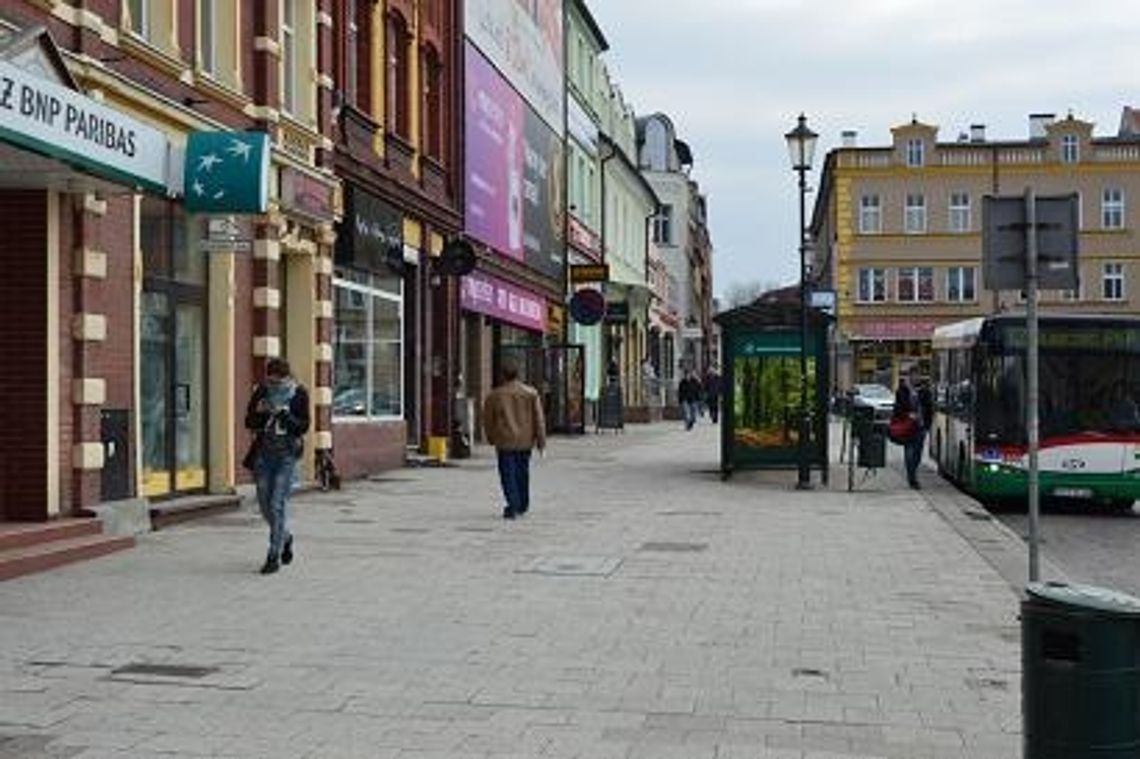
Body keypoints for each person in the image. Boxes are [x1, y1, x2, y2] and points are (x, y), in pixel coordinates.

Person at [244, 358, 310, 575]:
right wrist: (261, 412)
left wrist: (284, 414)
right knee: (264, 505)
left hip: (287, 456)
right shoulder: (262, 391)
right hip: (264, 456)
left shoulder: (299, 393)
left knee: (277, 504)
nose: (272, 385)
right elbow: (249, 421)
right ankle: (286, 536)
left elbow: (303, 426)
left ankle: (273, 555)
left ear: (286, 377)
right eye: (269, 381)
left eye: (276, 381)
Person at [483, 359, 546, 520]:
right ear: (518, 374)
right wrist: (541, 442)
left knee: (507, 474)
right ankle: (522, 504)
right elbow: (539, 419)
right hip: (525, 441)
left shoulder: (495, 395)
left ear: (502, 375)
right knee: (522, 472)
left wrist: (491, 437)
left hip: (504, 441)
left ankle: (513, 504)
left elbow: (488, 420)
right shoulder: (531, 393)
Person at [893, 371, 926, 489]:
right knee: (909, 452)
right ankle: (912, 477)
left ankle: (913, 472)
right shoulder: (902, 390)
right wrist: (908, 415)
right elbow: (897, 408)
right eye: (914, 375)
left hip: (921, 426)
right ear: (909, 376)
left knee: (918, 453)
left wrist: (927, 423)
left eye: (918, 375)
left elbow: (929, 406)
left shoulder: (924, 390)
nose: (916, 378)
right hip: (908, 426)